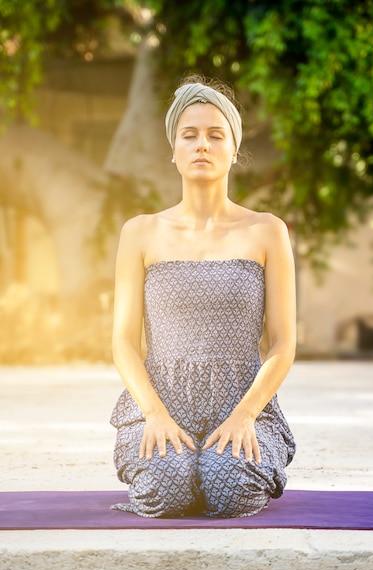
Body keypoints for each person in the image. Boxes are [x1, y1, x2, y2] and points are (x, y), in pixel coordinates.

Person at [110, 76, 296, 518]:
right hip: (160, 403)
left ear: (234, 150)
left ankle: (214, 471)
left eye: (216, 135)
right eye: (189, 135)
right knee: (165, 491)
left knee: (230, 489)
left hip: (243, 404)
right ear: (173, 150)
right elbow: (122, 342)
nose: (202, 145)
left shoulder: (267, 230)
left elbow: (283, 342)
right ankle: (186, 470)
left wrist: (246, 414)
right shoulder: (140, 232)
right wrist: (153, 414)